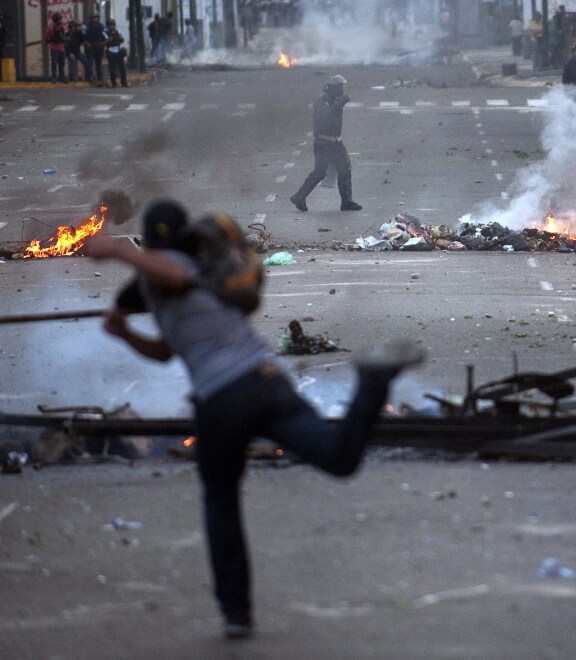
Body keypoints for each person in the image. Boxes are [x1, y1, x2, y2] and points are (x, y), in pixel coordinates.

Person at [84, 200, 424, 639]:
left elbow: (174, 274)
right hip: (266, 382)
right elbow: (167, 351)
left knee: (220, 503)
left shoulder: (173, 269)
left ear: (149, 243)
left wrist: (118, 251)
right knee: (339, 458)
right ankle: (373, 382)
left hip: (222, 402)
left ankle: (236, 613)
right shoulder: (205, 269)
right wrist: (126, 332)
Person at [290, 75, 362, 212]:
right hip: (323, 142)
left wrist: (339, 102)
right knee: (319, 172)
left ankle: (346, 201)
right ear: (332, 88)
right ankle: (299, 196)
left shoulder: (334, 101)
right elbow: (326, 117)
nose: (341, 91)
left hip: (335, 142)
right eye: (339, 88)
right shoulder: (321, 102)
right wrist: (340, 103)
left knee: (345, 170)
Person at [83, 12, 107, 86]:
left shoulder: (102, 26)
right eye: (93, 17)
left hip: (99, 47)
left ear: (98, 18)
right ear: (91, 18)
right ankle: (88, 77)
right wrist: (86, 43)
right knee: (89, 63)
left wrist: (103, 44)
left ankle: (100, 77)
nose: (94, 19)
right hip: (90, 46)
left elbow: (106, 37)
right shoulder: (87, 26)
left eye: (96, 17)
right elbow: (83, 36)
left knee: (98, 64)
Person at [44, 12, 67, 83]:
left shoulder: (62, 27)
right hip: (54, 48)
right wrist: (51, 39)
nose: (61, 20)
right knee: (54, 63)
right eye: (60, 19)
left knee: (62, 63)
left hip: (61, 48)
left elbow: (64, 37)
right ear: (56, 20)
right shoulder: (51, 28)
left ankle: (61, 77)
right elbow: (46, 38)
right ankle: (54, 77)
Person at [104, 19, 128, 88]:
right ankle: (113, 82)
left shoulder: (118, 31)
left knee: (122, 68)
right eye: (110, 25)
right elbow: (104, 42)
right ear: (108, 26)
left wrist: (120, 37)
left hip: (118, 50)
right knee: (112, 69)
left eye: (113, 25)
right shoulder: (105, 33)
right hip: (111, 51)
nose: (112, 26)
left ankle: (124, 82)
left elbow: (122, 40)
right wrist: (108, 40)